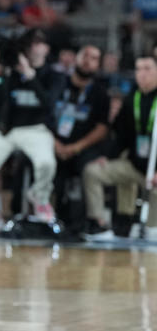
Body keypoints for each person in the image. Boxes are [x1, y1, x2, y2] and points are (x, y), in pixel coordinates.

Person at [0, 31, 57, 236]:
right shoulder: (9, 74)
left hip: (37, 130)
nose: (34, 48)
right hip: (9, 131)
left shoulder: (53, 75)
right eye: (30, 44)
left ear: (46, 49)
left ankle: (39, 198)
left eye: (39, 43)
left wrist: (30, 75)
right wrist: (5, 74)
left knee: (46, 164)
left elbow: (49, 103)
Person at [83, 56, 157, 241]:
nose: (142, 74)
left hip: (154, 170)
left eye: (147, 68)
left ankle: (152, 226)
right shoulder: (132, 99)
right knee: (92, 172)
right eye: (138, 69)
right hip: (135, 164)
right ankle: (100, 224)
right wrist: (107, 156)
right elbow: (121, 136)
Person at [50, 46, 109, 232]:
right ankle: (42, 218)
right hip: (54, 144)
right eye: (85, 56)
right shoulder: (57, 84)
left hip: (83, 147)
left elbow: (102, 129)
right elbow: (44, 116)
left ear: (98, 65)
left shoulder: (100, 93)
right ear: (76, 58)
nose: (87, 61)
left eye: (94, 58)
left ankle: (90, 222)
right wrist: (56, 144)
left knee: (89, 169)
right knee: (43, 164)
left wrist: (75, 148)